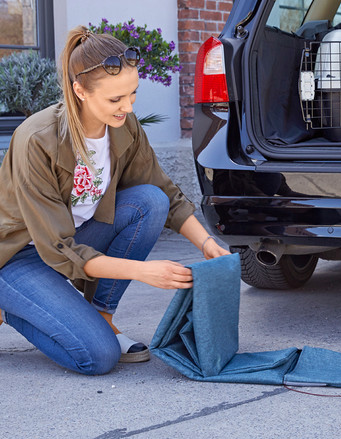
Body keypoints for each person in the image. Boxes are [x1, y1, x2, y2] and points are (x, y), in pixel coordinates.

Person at [0, 26, 229, 374]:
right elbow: (59, 248)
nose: (127, 107)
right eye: (115, 100)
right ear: (80, 90)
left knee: (149, 202)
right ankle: (9, 307)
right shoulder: (37, 139)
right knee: (98, 357)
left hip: (70, 242)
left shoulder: (124, 125)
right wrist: (142, 272)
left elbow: (163, 190)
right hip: (17, 258)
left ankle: (102, 316)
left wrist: (207, 243)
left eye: (132, 95)